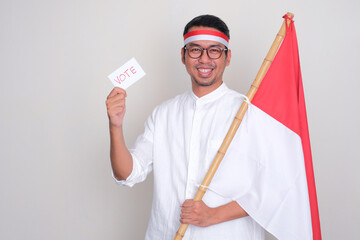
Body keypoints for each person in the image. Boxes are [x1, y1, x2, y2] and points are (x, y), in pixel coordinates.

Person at [106, 15, 265, 239]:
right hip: (166, 234)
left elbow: (273, 188)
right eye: (195, 49)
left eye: (215, 50)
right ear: (183, 56)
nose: (204, 59)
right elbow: (127, 174)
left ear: (227, 57)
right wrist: (115, 125)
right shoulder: (163, 114)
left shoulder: (250, 113)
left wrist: (214, 215)